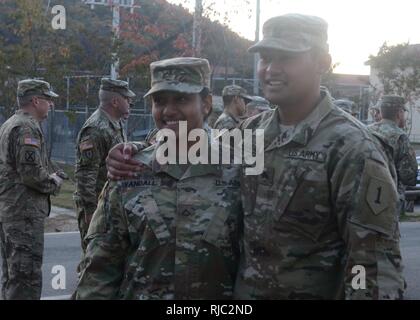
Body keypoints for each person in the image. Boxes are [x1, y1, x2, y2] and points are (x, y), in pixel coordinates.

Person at [106, 14, 405, 300]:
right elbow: (190, 148)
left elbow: (373, 265)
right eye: (266, 58)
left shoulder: (352, 148)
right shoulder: (251, 132)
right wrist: (130, 150)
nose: (271, 69)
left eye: (286, 58)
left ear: (322, 63)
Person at [75, 57, 242, 299]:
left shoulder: (238, 171)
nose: (169, 111)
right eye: (159, 101)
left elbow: (256, 265)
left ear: (206, 104)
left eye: (182, 99)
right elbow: (100, 270)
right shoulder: (129, 171)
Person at [0, 79, 62, 299]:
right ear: (35, 101)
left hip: (12, 210)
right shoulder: (27, 128)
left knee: (13, 277)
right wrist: (53, 181)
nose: (51, 105)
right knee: (25, 279)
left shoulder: (11, 123)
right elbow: (32, 175)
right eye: (48, 100)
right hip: (23, 214)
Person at [73, 78, 135, 259]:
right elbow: (86, 176)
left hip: (111, 203)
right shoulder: (96, 128)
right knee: (95, 261)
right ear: (115, 101)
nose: (130, 101)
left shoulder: (114, 123)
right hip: (97, 207)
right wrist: (91, 212)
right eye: (126, 98)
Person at [368, 95, 417, 216]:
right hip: (387, 200)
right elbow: (409, 176)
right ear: (399, 113)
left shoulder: (365, 130)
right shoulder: (400, 137)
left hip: (362, 195)